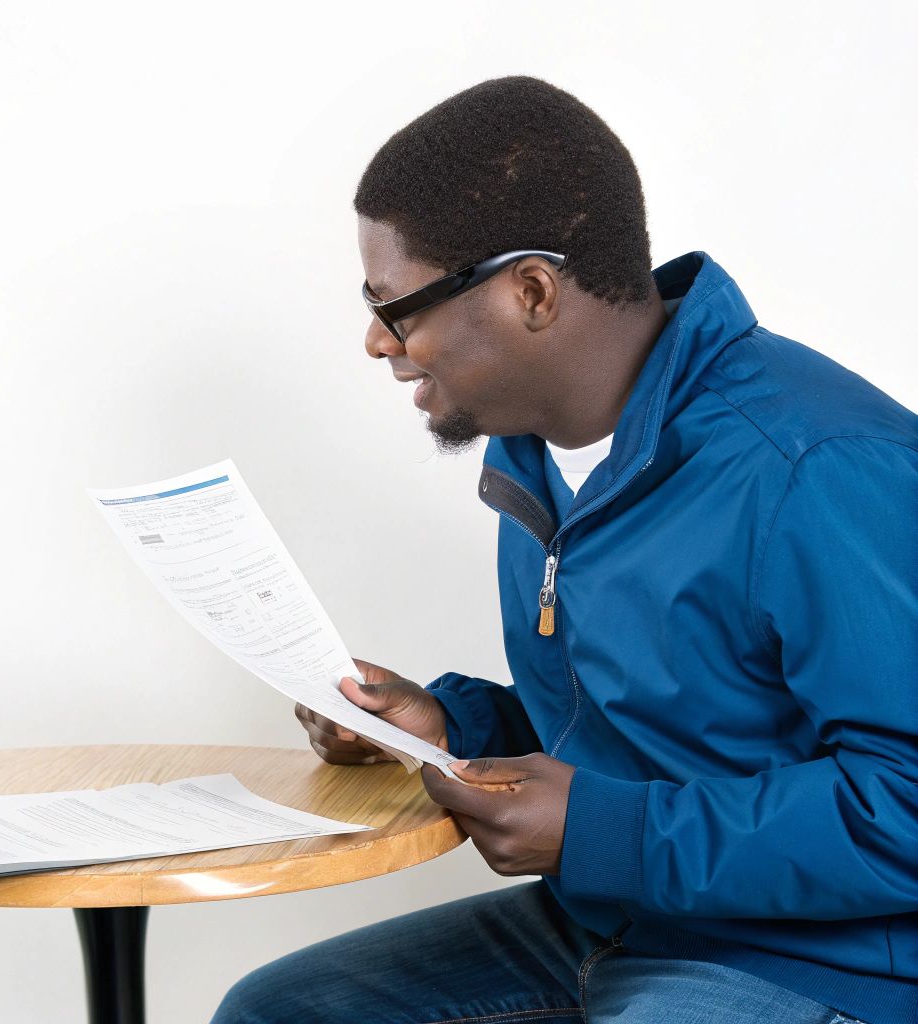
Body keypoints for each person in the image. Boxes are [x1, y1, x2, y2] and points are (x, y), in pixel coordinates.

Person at [215, 77, 917, 1024]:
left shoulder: (814, 468)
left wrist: (603, 834)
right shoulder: (544, 457)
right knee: (276, 1012)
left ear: (531, 291)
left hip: (825, 965)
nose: (377, 343)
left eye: (398, 306)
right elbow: (661, 726)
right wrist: (450, 727)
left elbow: (905, 805)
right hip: (622, 922)